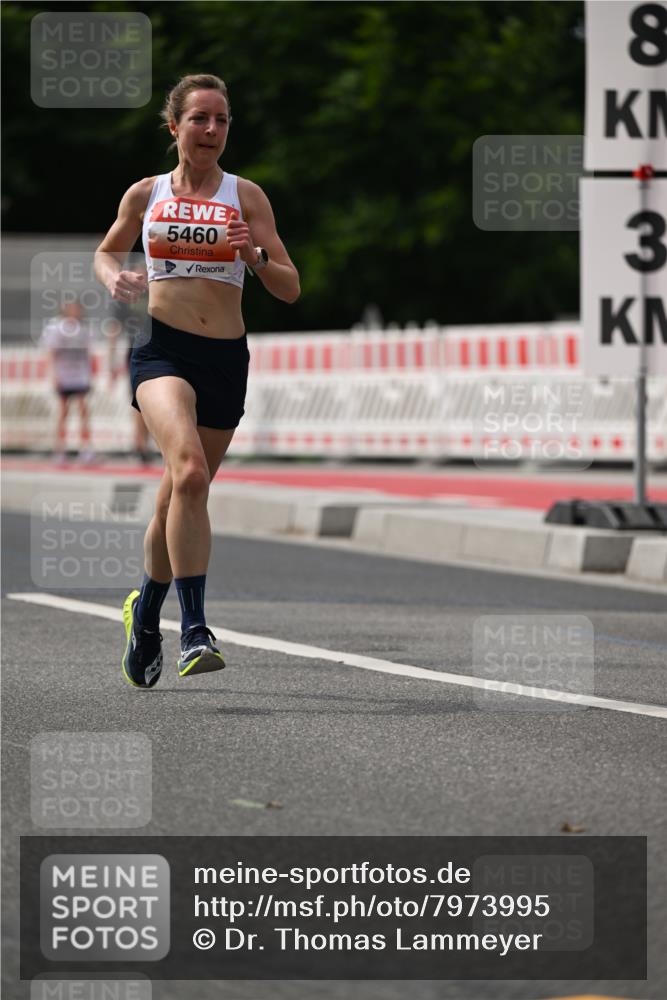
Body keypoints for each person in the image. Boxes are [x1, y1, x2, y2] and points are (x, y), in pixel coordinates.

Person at [94, 73, 299, 688]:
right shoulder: (146, 194)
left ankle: (145, 608)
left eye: (222, 121)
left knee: (180, 495)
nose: (212, 131)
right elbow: (108, 252)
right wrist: (115, 280)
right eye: (200, 119)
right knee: (187, 471)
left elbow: (289, 287)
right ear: (175, 126)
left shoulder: (247, 197)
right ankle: (196, 629)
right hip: (162, 348)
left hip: (225, 357)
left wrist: (253, 257)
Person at [42, 300, 95, 465]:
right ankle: (60, 449)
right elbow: (51, 353)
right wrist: (53, 375)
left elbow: (88, 354)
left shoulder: (84, 329)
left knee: (83, 411)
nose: (75, 311)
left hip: (80, 375)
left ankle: (85, 449)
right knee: (63, 412)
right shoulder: (56, 328)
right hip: (64, 375)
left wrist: (91, 374)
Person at [106, 298, 152, 463]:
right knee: (139, 402)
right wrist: (111, 363)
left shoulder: (157, 290)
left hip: (159, 352)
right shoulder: (125, 301)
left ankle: (143, 444)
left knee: (149, 402)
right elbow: (114, 330)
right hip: (136, 354)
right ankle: (140, 444)